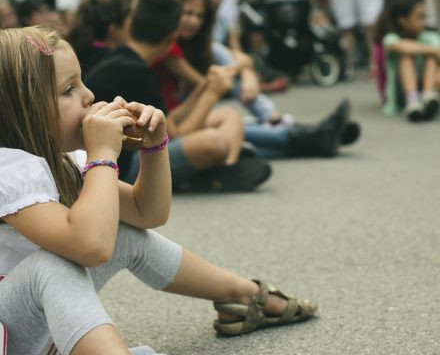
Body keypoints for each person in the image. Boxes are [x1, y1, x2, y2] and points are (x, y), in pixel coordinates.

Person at [0, 26, 317, 354]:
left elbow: (147, 213)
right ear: (22, 111)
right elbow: (91, 247)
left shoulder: (63, 160)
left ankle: (240, 295)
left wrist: (154, 149)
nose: (89, 95)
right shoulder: (8, 170)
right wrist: (103, 155)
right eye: (68, 90)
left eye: (82, 81)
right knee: (50, 267)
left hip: (40, 331)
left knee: (122, 234)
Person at [85, 0, 272, 192]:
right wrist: (211, 94)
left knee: (229, 115)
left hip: (113, 158)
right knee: (214, 142)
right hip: (121, 169)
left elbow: (170, 119)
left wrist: (204, 89)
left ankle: (224, 171)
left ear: (130, 24)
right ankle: (214, 171)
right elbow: (171, 135)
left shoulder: (125, 60)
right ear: (173, 37)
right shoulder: (137, 72)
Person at [154, 0, 361, 159]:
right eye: (188, 13)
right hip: (176, 122)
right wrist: (243, 67)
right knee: (232, 127)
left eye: (199, 16)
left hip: (190, 116)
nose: (194, 21)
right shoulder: (167, 46)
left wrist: (246, 71)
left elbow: (225, 66)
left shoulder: (200, 44)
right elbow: (206, 83)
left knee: (236, 129)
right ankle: (304, 134)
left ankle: (308, 136)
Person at [375, 0, 440, 121]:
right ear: (403, 20)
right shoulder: (391, 38)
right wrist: (432, 51)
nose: (424, 21)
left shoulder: (429, 36)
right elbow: (399, 46)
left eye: (425, 16)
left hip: (431, 86)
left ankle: (428, 96)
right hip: (401, 93)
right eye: (419, 17)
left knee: (432, 58)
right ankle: (413, 101)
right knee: (406, 55)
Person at [68, 0, 131, 76]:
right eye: (129, 22)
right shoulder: (112, 63)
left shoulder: (85, 51)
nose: (132, 27)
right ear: (113, 28)